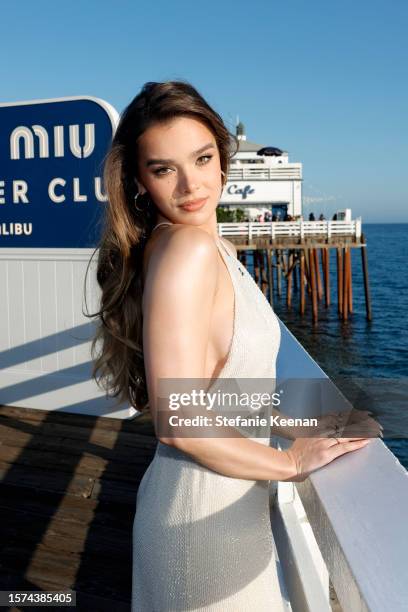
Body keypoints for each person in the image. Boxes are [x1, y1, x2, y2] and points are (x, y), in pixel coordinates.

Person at [89, 80, 375, 611]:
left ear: (222, 156)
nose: (190, 184)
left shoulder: (195, 244)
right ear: (138, 182)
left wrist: (299, 414)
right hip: (204, 524)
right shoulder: (188, 250)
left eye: (201, 158)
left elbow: (213, 390)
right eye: (163, 169)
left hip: (215, 508)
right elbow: (178, 419)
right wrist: (290, 465)